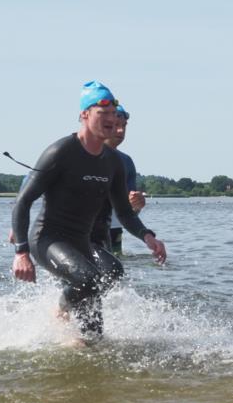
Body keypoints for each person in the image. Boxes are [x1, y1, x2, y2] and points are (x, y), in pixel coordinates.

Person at [11, 81, 167, 339]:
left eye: (113, 113)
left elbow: (124, 212)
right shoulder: (61, 152)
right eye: (102, 112)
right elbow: (23, 201)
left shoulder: (113, 162)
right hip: (48, 239)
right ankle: (60, 311)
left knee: (98, 320)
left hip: (83, 242)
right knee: (88, 278)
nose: (111, 119)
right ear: (84, 114)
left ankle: (79, 337)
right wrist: (21, 252)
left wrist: (147, 236)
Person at [90, 105, 144, 254]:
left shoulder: (126, 161)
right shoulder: (80, 154)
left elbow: (129, 213)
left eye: (124, 126)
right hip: (80, 231)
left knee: (115, 267)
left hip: (113, 230)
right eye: (115, 125)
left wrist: (137, 205)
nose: (121, 131)